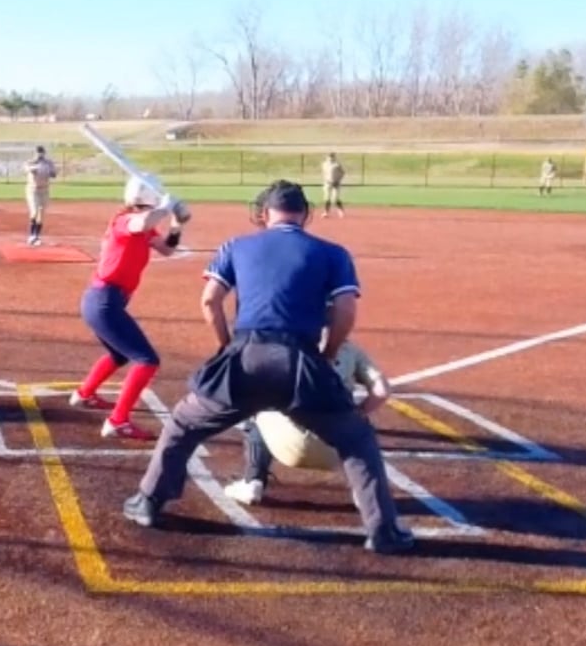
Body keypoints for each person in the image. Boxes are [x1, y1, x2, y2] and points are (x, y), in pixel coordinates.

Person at [120, 180, 413, 554]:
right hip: (303, 362)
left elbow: (210, 301)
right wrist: (327, 354)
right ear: (305, 214)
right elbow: (345, 310)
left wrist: (228, 346)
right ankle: (383, 531)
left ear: (265, 214)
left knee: (184, 423)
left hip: (246, 356)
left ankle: (148, 501)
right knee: (357, 439)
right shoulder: (333, 253)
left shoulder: (235, 245)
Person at [68, 177, 188, 441]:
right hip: (105, 301)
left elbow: (167, 250)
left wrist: (177, 223)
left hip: (103, 300)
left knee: (119, 355)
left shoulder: (144, 227)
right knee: (147, 360)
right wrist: (166, 207)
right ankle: (118, 421)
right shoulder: (124, 220)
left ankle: (85, 394)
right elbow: (141, 223)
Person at [223, 328, 392, 506]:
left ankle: (253, 480)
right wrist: (358, 414)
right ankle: (363, 491)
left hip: (287, 445)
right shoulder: (351, 350)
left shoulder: (287, 345)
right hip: (335, 451)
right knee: (359, 426)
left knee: (256, 405)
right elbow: (382, 391)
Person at [23, 146, 58, 246]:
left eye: (41, 153)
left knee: (41, 213)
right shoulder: (30, 162)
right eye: (38, 153)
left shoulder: (48, 163)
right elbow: (28, 170)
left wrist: (50, 171)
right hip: (33, 190)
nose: (40, 155)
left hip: (44, 190)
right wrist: (35, 167)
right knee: (34, 212)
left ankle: (36, 236)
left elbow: (54, 174)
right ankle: (31, 235)